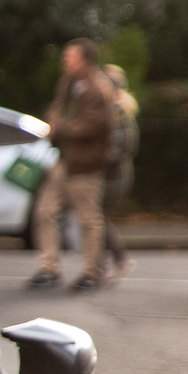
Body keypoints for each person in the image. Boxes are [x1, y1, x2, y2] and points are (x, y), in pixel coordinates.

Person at [29, 40, 119, 291]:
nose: (65, 62)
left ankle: (92, 272)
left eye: (71, 58)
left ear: (86, 61)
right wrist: (54, 124)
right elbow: (56, 111)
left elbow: (87, 127)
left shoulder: (98, 91)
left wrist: (59, 126)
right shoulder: (67, 84)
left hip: (86, 165)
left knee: (88, 220)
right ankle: (49, 268)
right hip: (64, 161)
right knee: (45, 211)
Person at [99, 61, 140, 281]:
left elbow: (123, 147)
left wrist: (97, 158)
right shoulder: (112, 110)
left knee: (98, 218)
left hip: (115, 176)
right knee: (98, 218)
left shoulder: (119, 112)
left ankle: (116, 261)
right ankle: (107, 263)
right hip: (111, 174)